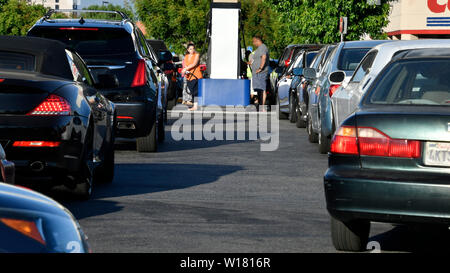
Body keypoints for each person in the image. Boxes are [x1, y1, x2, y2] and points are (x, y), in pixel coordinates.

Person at [250, 36, 270, 111]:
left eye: (253, 41)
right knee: (258, 89)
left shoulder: (262, 47)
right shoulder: (259, 48)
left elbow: (263, 57)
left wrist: (260, 68)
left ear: (257, 41)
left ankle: (262, 107)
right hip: (257, 73)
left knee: (262, 89)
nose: (253, 43)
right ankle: (260, 105)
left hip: (261, 72)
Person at [182, 43, 203, 111]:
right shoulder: (186, 56)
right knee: (192, 91)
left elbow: (194, 64)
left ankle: (195, 106)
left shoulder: (196, 55)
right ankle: (195, 105)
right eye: (190, 49)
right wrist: (185, 69)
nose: (192, 50)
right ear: (188, 50)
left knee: (195, 91)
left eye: (193, 49)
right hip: (189, 76)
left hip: (196, 75)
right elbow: (185, 64)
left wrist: (185, 69)